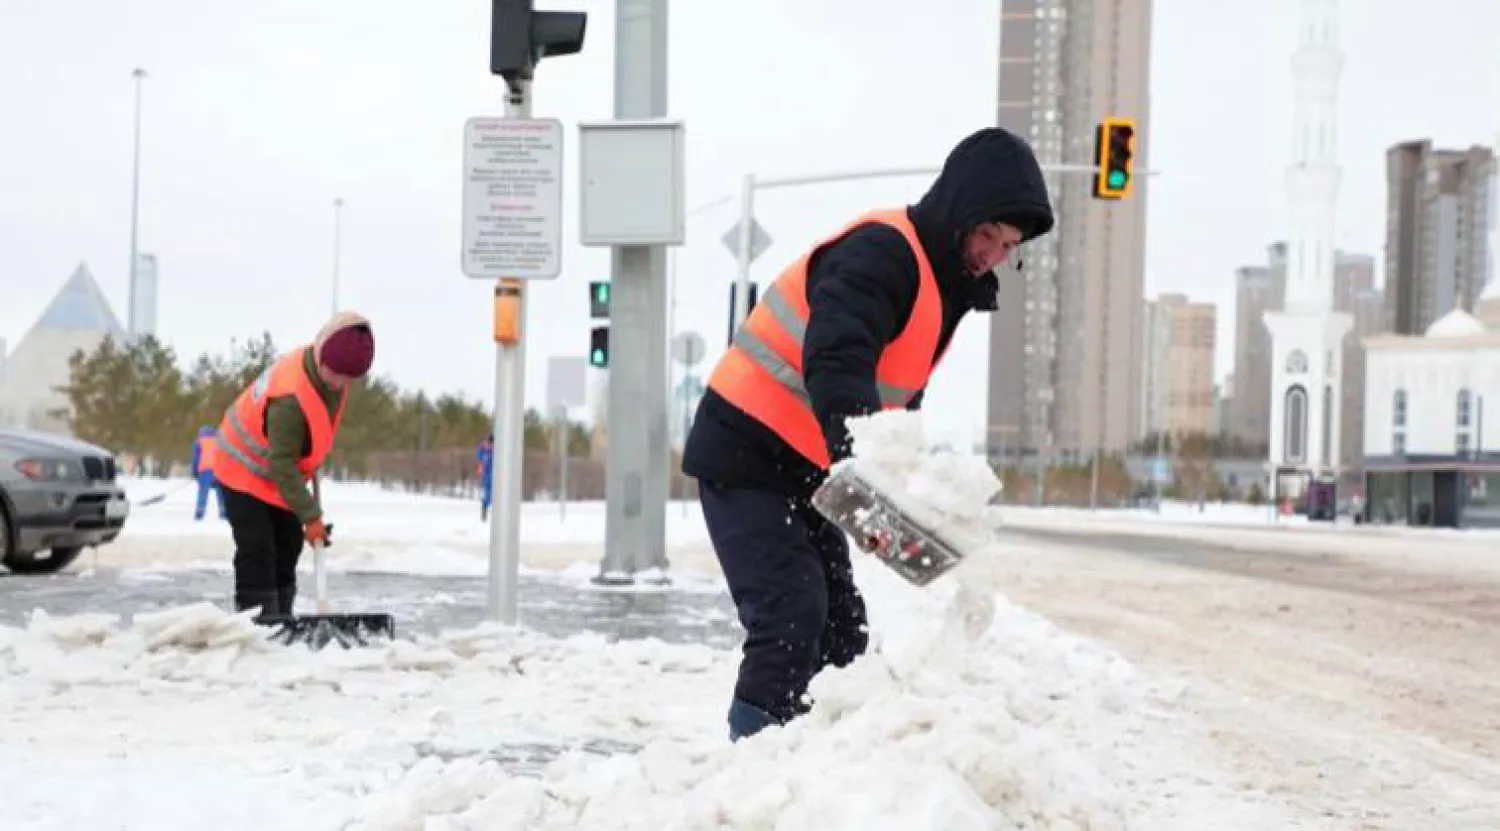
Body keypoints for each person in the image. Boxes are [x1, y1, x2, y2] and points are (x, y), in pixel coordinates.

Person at [681, 127, 1055, 741]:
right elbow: (835, 359)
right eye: (988, 233)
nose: (993, 254)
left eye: (1008, 245)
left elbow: (890, 411)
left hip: (803, 468)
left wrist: (898, 506)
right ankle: (751, 770)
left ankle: (828, 771)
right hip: (747, 451)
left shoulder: (943, 287)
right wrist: (864, 472)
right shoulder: (884, 253)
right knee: (792, 614)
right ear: (958, 209)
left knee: (842, 632)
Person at [212, 311, 375, 618]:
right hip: (241, 469)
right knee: (258, 549)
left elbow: (307, 439)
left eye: (348, 378)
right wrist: (310, 516)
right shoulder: (289, 397)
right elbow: (282, 463)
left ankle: (281, 618)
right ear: (322, 354)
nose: (339, 383)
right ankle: (257, 624)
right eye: (335, 373)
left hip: (277, 474)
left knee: (288, 544)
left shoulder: (329, 380)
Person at [190, 425, 226, 521]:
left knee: (203, 491)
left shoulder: (199, 442)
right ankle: (223, 510)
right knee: (220, 492)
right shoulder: (220, 441)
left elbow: (196, 458)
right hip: (219, 470)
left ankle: (200, 511)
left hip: (205, 470)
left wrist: (194, 471)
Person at [476, 433, 495, 521]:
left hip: (494, 473)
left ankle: (488, 507)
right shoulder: (482, 449)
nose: (489, 445)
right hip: (487, 473)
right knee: (488, 491)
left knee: (493, 492)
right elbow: (479, 460)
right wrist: (480, 468)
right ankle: (485, 508)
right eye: (488, 443)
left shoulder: (494, 452)